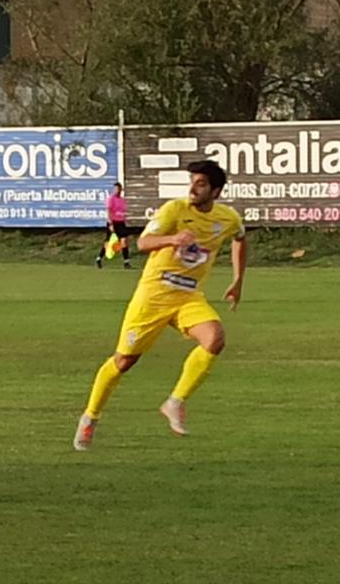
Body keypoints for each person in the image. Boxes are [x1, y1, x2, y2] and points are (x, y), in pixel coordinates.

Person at [74, 160, 245, 450]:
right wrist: (173, 238)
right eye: (192, 180)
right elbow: (143, 243)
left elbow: (240, 237)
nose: (193, 187)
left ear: (215, 191)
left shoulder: (227, 218)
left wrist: (238, 279)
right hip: (153, 296)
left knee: (215, 339)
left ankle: (175, 402)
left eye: (201, 183)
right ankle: (90, 417)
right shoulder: (174, 210)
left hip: (188, 298)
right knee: (124, 361)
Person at [97, 182, 134, 269]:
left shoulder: (122, 200)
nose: (116, 191)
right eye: (115, 189)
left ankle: (126, 262)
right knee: (108, 242)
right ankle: (99, 258)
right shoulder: (111, 199)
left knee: (124, 241)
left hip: (121, 222)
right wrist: (110, 224)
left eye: (118, 189)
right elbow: (109, 211)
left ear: (121, 190)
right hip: (113, 222)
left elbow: (123, 211)